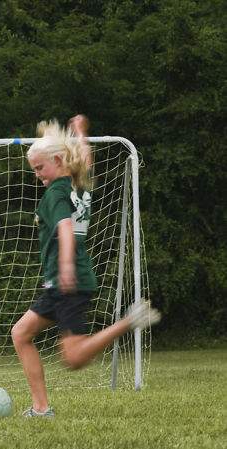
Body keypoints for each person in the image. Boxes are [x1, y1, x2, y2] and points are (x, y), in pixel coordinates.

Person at [11, 115, 161, 418]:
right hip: (61, 282)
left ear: (57, 160)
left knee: (74, 358)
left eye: (40, 168)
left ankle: (128, 322)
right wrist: (81, 133)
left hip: (69, 280)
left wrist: (65, 266)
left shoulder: (55, 193)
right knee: (21, 333)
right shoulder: (77, 185)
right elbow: (85, 160)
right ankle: (40, 408)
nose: (38, 175)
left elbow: (65, 229)